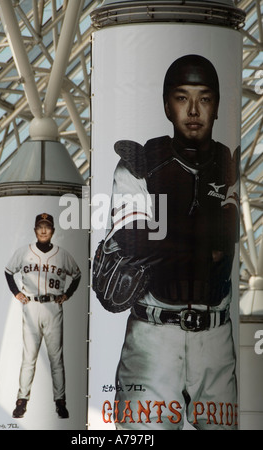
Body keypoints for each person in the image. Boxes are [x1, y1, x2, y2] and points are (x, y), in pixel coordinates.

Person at [107, 55, 240, 430]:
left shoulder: (228, 165)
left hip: (216, 339)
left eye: (205, 98)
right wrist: (196, 243)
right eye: (183, 98)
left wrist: (163, 235)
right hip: (152, 339)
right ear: (167, 104)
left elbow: (222, 250)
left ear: (216, 106)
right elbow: (133, 246)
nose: (194, 110)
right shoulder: (138, 165)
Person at [5, 213, 81, 419]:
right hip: (31, 305)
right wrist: (16, 293)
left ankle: (60, 401)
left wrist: (68, 294)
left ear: (53, 231)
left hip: (53, 307)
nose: (44, 230)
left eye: (47, 226)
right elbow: (8, 271)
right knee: (29, 357)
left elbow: (77, 274)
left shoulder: (62, 254)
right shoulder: (24, 252)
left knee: (56, 358)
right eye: (40, 227)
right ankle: (22, 401)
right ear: (35, 230)